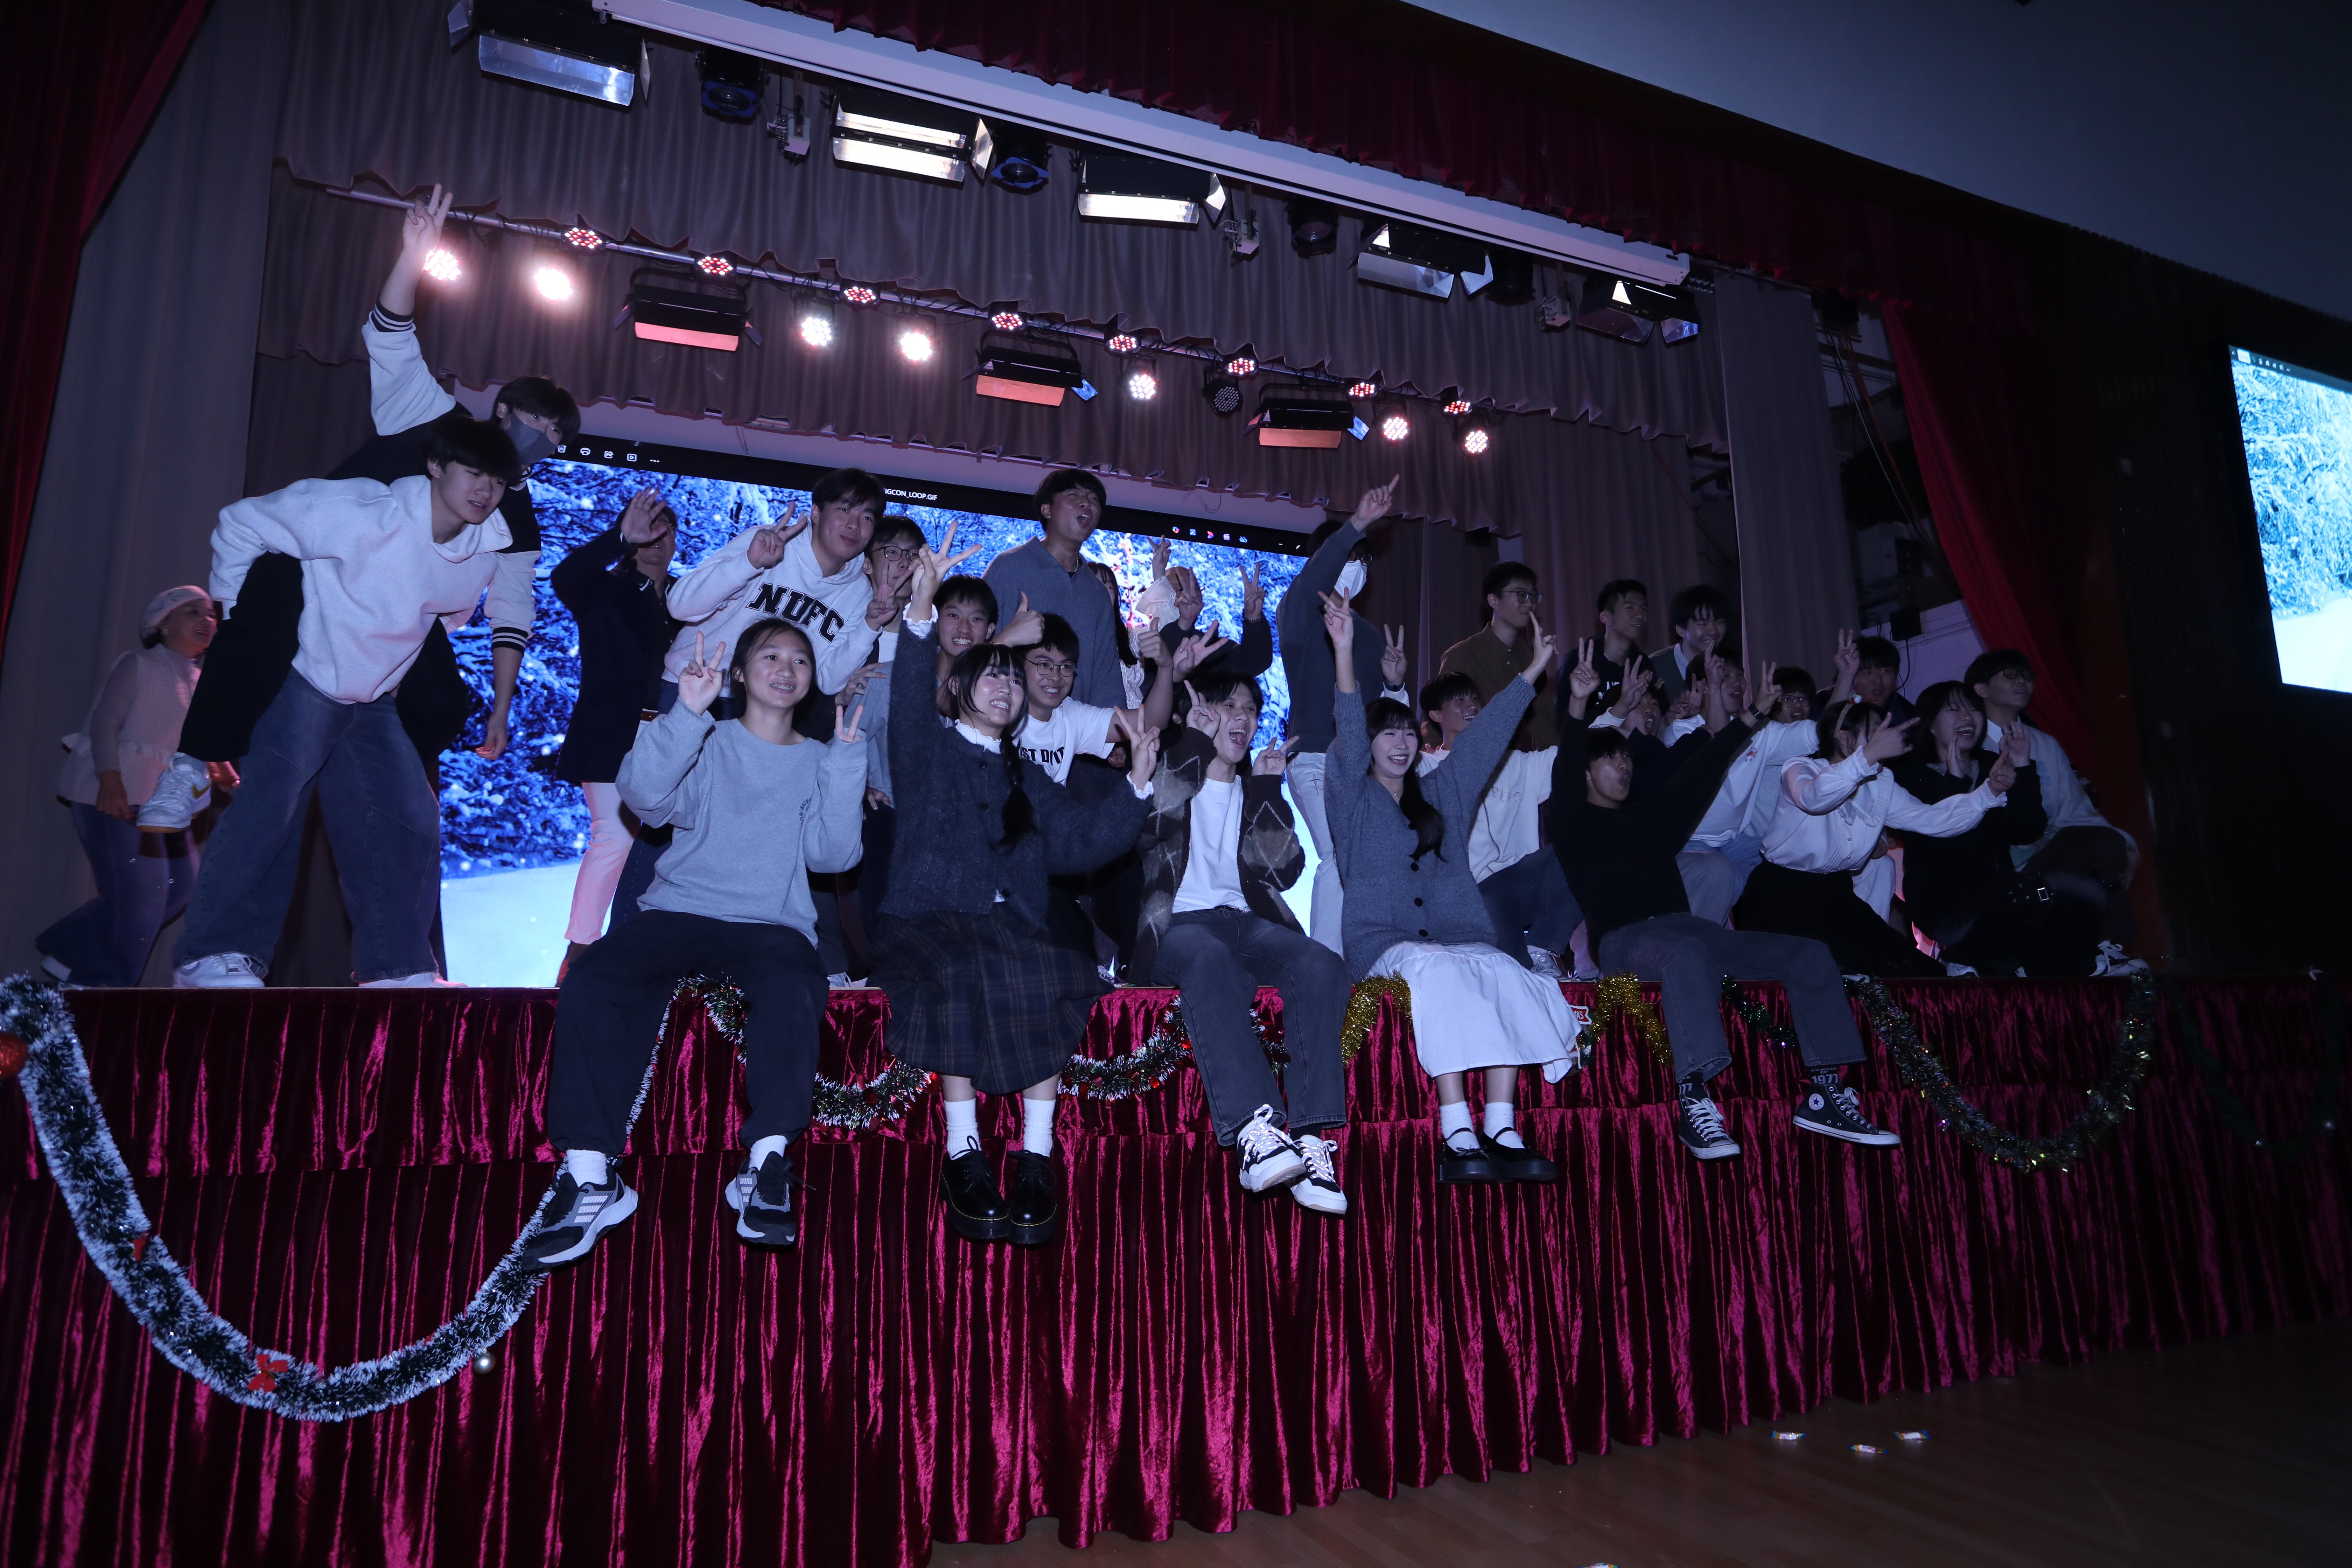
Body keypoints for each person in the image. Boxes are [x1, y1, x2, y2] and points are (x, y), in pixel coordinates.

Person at [183, 187, 574, 774]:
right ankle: (192, 762)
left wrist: (501, 705)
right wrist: (412, 259)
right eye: (537, 420)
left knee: (441, 703)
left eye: (556, 433)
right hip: (326, 564)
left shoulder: (516, 517)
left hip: (397, 610)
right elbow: (393, 338)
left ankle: (383, 785)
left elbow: (512, 611)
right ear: (502, 411)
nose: (544, 436)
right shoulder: (435, 418)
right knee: (265, 612)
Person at [523, 621, 869, 1266]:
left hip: (772, 924)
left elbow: (833, 856)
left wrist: (848, 766)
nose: (786, 668)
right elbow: (645, 798)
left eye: (800, 659)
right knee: (597, 977)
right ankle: (591, 1176)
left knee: (796, 982)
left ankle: (766, 1165)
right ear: (740, 673)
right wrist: (685, 713)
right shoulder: (708, 740)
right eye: (770, 655)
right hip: (682, 910)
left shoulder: (824, 758)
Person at [871, 525, 1156, 1248]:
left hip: (1006, 925)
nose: (1005, 686)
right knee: (963, 966)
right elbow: (909, 694)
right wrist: (921, 608)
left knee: (1052, 963)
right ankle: (963, 1150)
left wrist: (1137, 784)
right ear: (960, 688)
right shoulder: (926, 747)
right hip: (926, 919)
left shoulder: (1027, 776)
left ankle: (1036, 1153)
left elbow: (1085, 842)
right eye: (990, 676)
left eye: (1012, 679)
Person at [172, 414, 524, 988]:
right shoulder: (361, 509)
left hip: (374, 699)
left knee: (408, 817)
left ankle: (396, 968)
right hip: (306, 677)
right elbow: (241, 522)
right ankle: (212, 955)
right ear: (436, 466)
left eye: (499, 480)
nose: (486, 490)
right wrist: (237, 615)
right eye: (474, 472)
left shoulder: (484, 552)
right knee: (272, 807)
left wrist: (394, 659)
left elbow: (447, 615)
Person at [1554, 640, 1902, 1161]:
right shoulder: (1572, 821)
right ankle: (1694, 1098)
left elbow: (1705, 767)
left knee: (1809, 953)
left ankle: (1826, 1094)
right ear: (1586, 773)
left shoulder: (1650, 818)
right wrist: (1579, 707)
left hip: (1686, 928)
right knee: (1687, 954)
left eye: (1626, 758)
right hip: (1625, 940)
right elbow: (1565, 768)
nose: (1624, 767)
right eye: (1610, 760)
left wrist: (1754, 715)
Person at [1326, 592, 1581, 1184]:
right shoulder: (1350, 798)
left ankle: (1502, 1126)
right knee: (1437, 969)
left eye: (1405, 734)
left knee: (1505, 970)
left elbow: (1486, 738)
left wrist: (1533, 672)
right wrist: (1344, 651)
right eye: (1386, 735)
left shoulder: (1444, 793)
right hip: (1384, 943)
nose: (1399, 743)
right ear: (1367, 748)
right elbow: (1347, 725)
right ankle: (1456, 1127)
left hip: (1458, 934)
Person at [1134, 670, 1349, 1213]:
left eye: (1251, 709)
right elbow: (1152, 825)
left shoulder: (1255, 786)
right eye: (1229, 705)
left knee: (1320, 963)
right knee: (1208, 957)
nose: (1243, 717)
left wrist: (1269, 788)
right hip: (1178, 927)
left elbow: (1284, 871)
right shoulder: (1172, 767)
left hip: (1243, 923)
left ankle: (1310, 1138)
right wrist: (1192, 743)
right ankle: (1256, 1129)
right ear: (1202, 712)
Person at [1734, 699, 2024, 978]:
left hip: (1833, 894)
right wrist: (1868, 756)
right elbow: (1816, 798)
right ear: (1844, 738)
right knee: (1823, 971)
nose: (1886, 737)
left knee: (1912, 970)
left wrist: (1989, 793)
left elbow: (1931, 820)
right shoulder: (1801, 768)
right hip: (1781, 895)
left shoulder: (1880, 781)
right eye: (1875, 731)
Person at [38, 589, 231, 986]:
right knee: (143, 895)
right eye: (193, 612)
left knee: (180, 887)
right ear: (163, 623)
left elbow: (200, 740)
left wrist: (224, 772)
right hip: (118, 794)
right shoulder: (140, 664)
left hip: (165, 803)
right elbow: (105, 723)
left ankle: (69, 948)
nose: (207, 620)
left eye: (211, 614)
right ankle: (102, 986)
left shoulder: (204, 681)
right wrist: (110, 781)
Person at [1276, 477, 1413, 954]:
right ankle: (1325, 964)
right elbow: (1312, 581)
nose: (1358, 569)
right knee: (1339, 855)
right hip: (1314, 759)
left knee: (1366, 861)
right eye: (1350, 559)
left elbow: (1387, 722)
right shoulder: (1301, 617)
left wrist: (1394, 684)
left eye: (1364, 562)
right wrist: (1356, 523)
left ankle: (1362, 956)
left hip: (1360, 767)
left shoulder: (1370, 636)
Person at [550, 488, 681, 975]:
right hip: (609, 736)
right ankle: (580, 950)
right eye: (646, 531)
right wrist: (618, 539)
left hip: (673, 741)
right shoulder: (601, 590)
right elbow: (564, 576)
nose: (655, 541)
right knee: (615, 836)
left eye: (665, 532)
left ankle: (643, 950)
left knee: (664, 849)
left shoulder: (691, 600)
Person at [1890, 681, 2101, 978]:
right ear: (1931, 725)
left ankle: (2064, 965)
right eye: (1954, 710)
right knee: (2029, 893)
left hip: (1999, 889)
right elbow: (1943, 845)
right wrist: (1957, 782)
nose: (1968, 717)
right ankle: (1970, 961)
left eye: (1974, 709)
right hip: (1945, 900)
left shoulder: (1991, 764)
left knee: (2088, 891)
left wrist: (2022, 765)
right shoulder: (1909, 774)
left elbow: (2026, 831)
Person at [1966, 649, 2146, 975]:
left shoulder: (2045, 744)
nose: (2022, 682)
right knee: (2099, 847)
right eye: (2011, 675)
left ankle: (2102, 945)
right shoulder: (1970, 745)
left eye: (2027, 676)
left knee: (2109, 844)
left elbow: (2076, 811)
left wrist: (2124, 843)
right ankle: (2094, 945)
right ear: (1981, 688)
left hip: (2050, 852)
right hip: (2000, 867)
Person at [1416, 671, 1584, 979]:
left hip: (1518, 884)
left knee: (1582, 846)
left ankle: (1542, 947)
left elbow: (1572, 754)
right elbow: (1384, 752)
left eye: (1474, 698)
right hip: (1468, 897)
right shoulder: (1425, 768)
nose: (1472, 705)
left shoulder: (1517, 764)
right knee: (1513, 976)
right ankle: (1525, 970)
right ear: (1436, 715)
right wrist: (1394, 687)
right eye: (1459, 699)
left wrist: (1588, 703)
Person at [982, 470, 1126, 709]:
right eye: (1074, 495)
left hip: (1075, 730)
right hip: (1004, 720)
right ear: (1047, 510)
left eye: (1094, 499)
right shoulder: (1009, 568)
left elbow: (1106, 679)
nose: (1087, 503)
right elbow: (977, 650)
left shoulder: (1097, 593)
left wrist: (1117, 728)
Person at [1439, 561, 1556, 751]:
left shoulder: (1532, 656)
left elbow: (1543, 722)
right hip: (1468, 761)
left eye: (1534, 596)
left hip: (1514, 763)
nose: (1530, 603)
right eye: (1521, 595)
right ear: (1494, 600)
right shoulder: (1462, 655)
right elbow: (1440, 720)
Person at [1644, 584, 1731, 702]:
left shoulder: (1729, 663)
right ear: (1681, 630)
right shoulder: (1655, 667)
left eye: (1719, 622)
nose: (1714, 632)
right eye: (1703, 624)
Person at [1818, 634, 1914, 726]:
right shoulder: (1824, 703)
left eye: (1885, 671)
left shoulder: (1907, 715)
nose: (1878, 681)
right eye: (1868, 673)